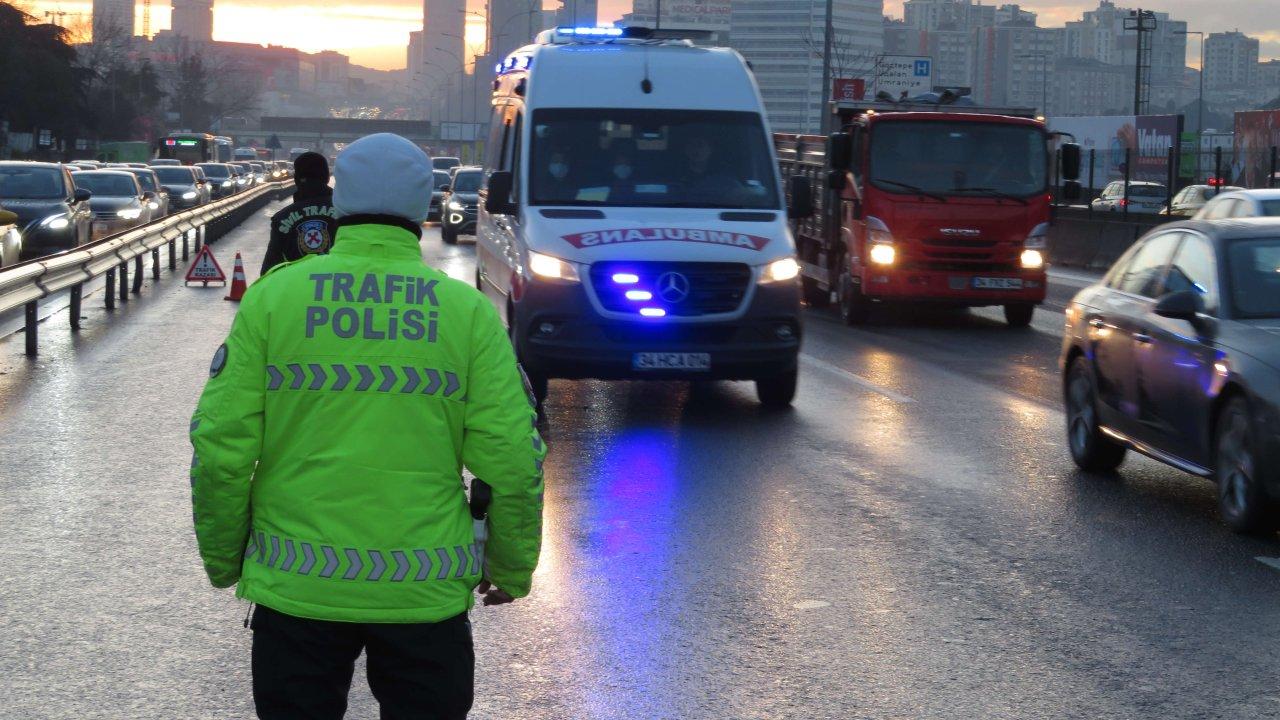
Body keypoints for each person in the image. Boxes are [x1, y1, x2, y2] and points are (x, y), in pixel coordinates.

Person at [189, 132, 545, 720]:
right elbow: (512, 456)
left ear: (340, 198)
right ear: (423, 202)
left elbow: (222, 448)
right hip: (423, 598)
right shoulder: (467, 316)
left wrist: (226, 559)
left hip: (297, 591)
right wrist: (508, 566)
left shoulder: (275, 301)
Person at [261, 152, 339, 274]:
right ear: (327, 177)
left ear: (296, 179)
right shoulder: (347, 214)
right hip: (338, 288)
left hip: (295, 289)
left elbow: (269, 271)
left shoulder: (282, 219)